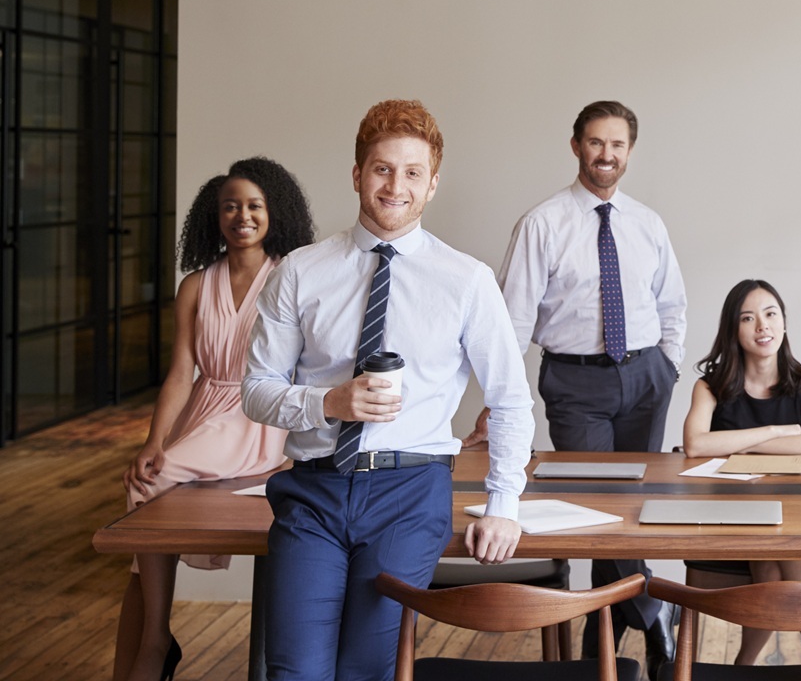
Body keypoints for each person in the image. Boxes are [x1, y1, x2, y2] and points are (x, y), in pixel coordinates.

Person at [242, 99, 535, 681]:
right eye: (381, 169)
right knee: (293, 671)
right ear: (357, 175)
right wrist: (328, 402)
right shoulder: (299, 271)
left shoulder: (467, 281)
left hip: (410, 493)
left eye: (412, 173)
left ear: (431, 186)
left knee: (367, 671)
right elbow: (255, 389)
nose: (394, 185)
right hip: (314, 494)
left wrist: (504, 506)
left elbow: (509, 400)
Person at [493, 99, 686, 673]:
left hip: (647, 374)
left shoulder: (648, 223)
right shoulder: (542, 223)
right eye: (596, 142)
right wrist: (502, 401)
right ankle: (654, 614)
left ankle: (600, 627)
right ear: (576, 145)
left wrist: (668, 366)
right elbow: (513, 321)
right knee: (597, 510)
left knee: (634, 510)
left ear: (629, 151)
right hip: (576, 382)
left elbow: (671, 303)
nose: (607, 154)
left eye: (618, 144)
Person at [114, 158, 315, 681]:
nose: (241, 216)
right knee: (147, 476)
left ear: (275, 212)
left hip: (261, 414)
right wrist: (153, 440)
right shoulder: (195, 287)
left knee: (152, 485)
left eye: (254, 205)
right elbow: (182, 373)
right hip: (207, 411)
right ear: (214, 214)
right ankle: (157, 634)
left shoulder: (294, 274)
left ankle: (153, 644)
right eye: (230, 206)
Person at [682, 278, 801, 665]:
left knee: (777, 554)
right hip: (728, 517)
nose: (762, 327)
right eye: (749, 318)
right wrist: (773, 431)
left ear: (783, 323)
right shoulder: (712, 385)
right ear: (733, 330)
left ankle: (744, 666)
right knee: (779, 548)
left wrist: (738, 441)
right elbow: (695, 445)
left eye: (771, 315)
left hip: (795, 512)